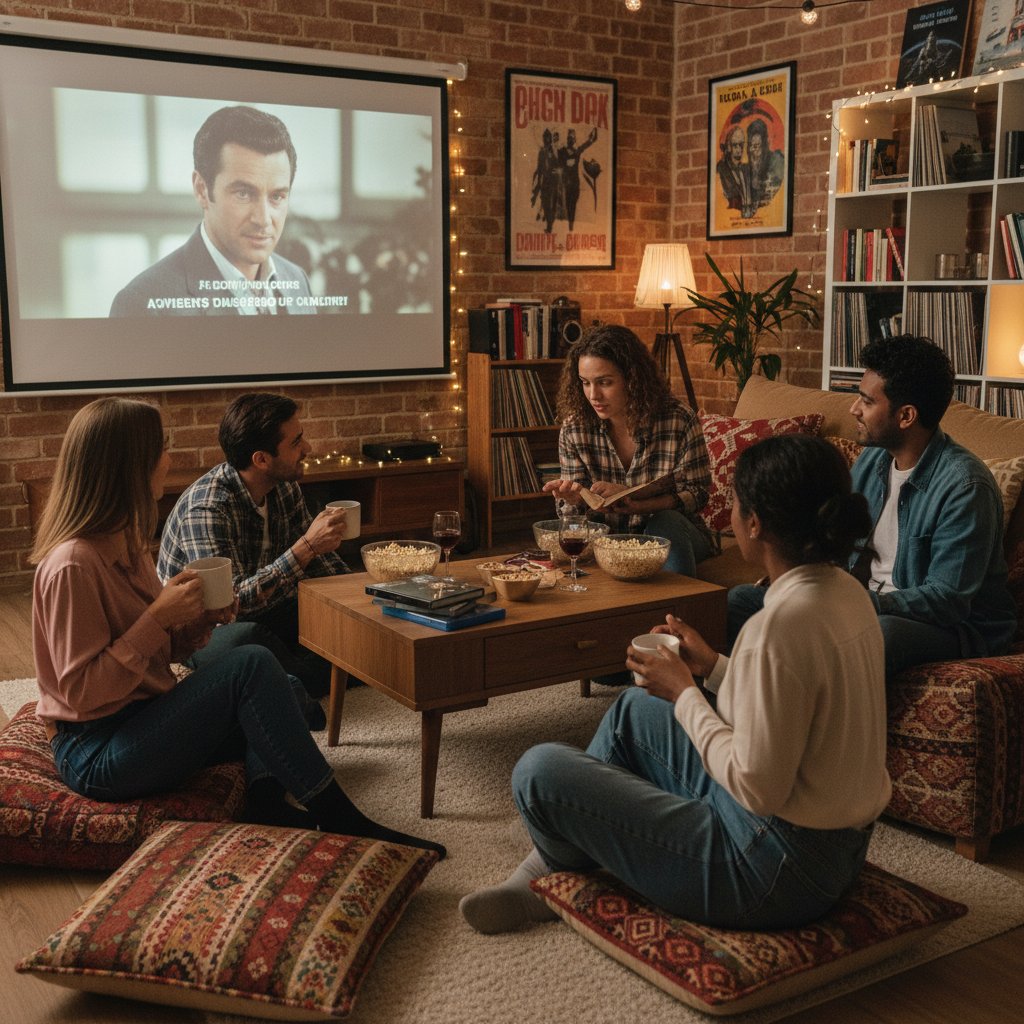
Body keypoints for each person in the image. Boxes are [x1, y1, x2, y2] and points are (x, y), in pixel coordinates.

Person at [460, 433, 888, 933]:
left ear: (755, 523)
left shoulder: (776, 629)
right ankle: (558, 860)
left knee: (538, 771)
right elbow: (795, 709)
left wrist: (686, 693)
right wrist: (712, 668)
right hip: (835, 847)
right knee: (632, 712)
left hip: (769, 870)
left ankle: (554, 868)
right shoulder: (847, 592)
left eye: (733, 503)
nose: (729, 514)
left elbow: (758, 788)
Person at [31, 397, 444, 856]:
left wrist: (195, 627)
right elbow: (82, 693)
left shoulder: (126, 542)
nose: (170, 458)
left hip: (144, 715)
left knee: (279, 686)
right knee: (250, 663)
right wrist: (158, 618)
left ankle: (266, 803)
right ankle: (340, 816)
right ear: (131, 466)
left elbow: (158, 654)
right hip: (96, 752)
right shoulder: (73, 564)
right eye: (162, 446)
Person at [728, 335, 1017, 678]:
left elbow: (948, 600)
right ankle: (743, 704)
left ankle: (813, 723)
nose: (854, 409)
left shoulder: (966, 486)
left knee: (881, 633)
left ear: (906, 415)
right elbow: (835, 533)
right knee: (742, 602)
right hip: (864, 603)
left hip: (954, 627)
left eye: (866, 401)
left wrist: (858, 602)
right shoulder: (873, 460)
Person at [158, 393, 348, 707]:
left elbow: (321, 563)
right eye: (296, 442)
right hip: (204, 628)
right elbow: (231, 605)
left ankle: (299, 678)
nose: (308, 448)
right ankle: (301, 683)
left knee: (335, 615)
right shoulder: (207, 509)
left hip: (268, 607)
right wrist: (306, 548)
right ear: (261, 459)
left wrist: (362, 601)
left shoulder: (284, 486)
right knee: (251, 641)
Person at [110, 105, 315, 317]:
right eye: (243, 194)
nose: (263, 220)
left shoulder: (296, 279)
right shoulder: (141, 304)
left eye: (277, 197)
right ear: (201, 190)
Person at [542, 324, 714, 578]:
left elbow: (698, 494)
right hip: (609, 540)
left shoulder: (678, 420)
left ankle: (677, 610)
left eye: (605, 382)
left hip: (673, 533)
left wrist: (640, 504)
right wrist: (573, 500)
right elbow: (574, 520)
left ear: (633, 379)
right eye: (585, 383)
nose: (593, 395)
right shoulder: (575, 428)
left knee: (665, 522)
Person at [557, 127, 598, 231]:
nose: (571, 140)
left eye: (572, 138)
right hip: (567, 184)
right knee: (568, 206)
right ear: (567, 139)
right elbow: (558, 160)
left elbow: (586, 144)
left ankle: (571, 227)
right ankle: (569, 227)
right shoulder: (562, 152)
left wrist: (591, 138)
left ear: (574, 140)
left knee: (572, 206)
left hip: (575, 185)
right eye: (569, 138)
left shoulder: (576, 152)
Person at [746, 118, 785, 209]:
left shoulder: (777, 161)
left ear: (765, 144)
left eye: (756, 146)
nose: (752, 150)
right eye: (750, 146)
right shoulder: (747, 168)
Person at [716, 126, 753, 218]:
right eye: (735, 145)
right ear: (729, 147)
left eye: (741, 145)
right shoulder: (721, 168)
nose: (739, 149)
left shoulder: (746, 169)